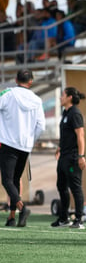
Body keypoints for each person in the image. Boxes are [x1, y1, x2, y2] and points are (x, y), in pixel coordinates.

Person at [0, 69, 45, 228]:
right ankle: (12, 217)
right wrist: (31, 140)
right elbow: (41, 126)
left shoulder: (8, 94)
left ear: (15, 79)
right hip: (25, 146)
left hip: (7, 143)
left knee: (6, 180)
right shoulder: (37, 100)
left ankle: (21, 208)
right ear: (31, 81)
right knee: (15, 180)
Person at [51, 87, 86, 229]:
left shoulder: (75, 113)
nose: (60, 97)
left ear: (70, 97)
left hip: (73, 156)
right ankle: (63, 218)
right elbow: (67, 134)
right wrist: (60, 147)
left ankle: (79, 219)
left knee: (75, 188)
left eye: (63, 95)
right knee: (61, 186)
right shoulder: (65, 113)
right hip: (63, 156)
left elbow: (80, 136)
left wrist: (81, 156)